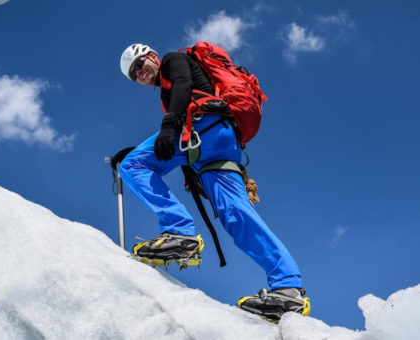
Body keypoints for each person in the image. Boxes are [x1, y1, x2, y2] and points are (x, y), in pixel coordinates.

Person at [112, 43, 310, 321]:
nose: (139, 74)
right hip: (222, 141)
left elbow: (183, 84)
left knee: (132, 165)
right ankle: (288, 288)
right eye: (134, 75)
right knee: (236, 214)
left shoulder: (173, 60)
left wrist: (168, 126)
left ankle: (179, 232)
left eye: (140, 65)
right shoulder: (167, 87)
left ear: (153, 57)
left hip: (206, 127)